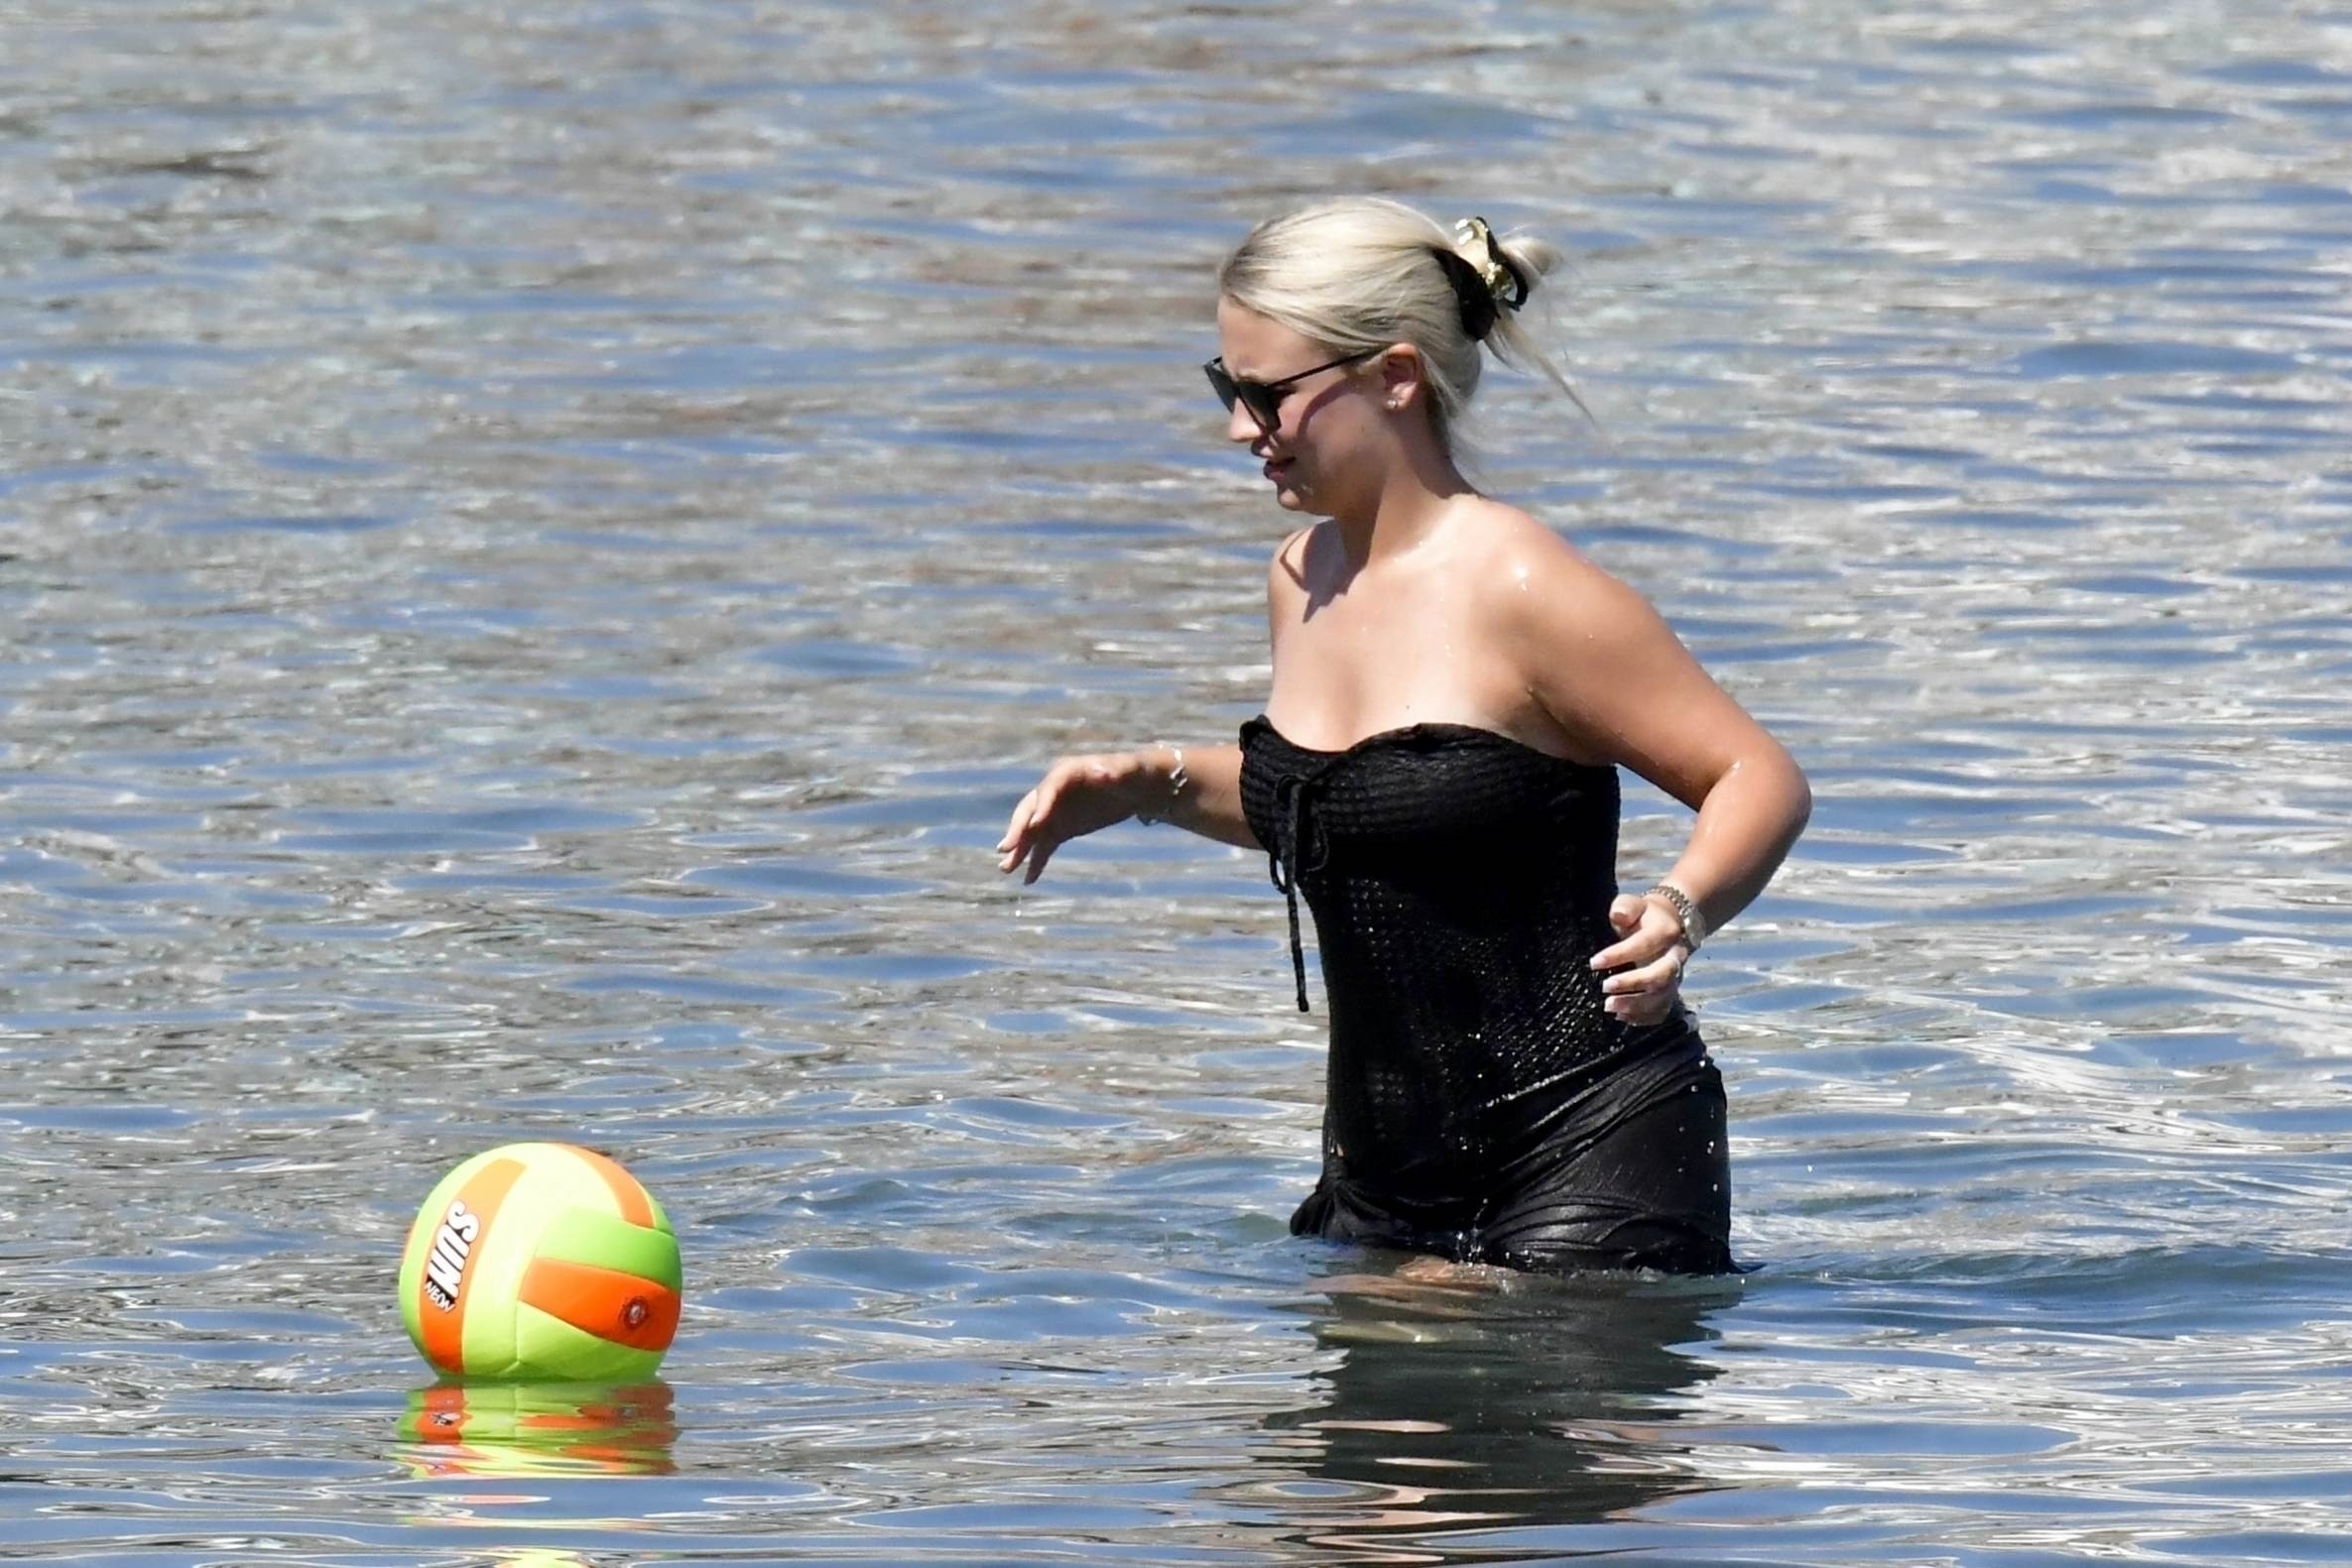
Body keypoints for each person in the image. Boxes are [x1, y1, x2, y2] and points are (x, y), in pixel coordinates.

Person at [997, 196, 1809, 1275]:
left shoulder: (1523, 587)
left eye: (1265, 395)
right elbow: (1356, 804)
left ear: (1393, 377)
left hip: (1588, 1143)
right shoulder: (1302, 578)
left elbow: (1756, 774)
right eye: (1224, 388)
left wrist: (1678, 909)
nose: (1241, 428)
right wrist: (1153, 781)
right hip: (1384, 1176)